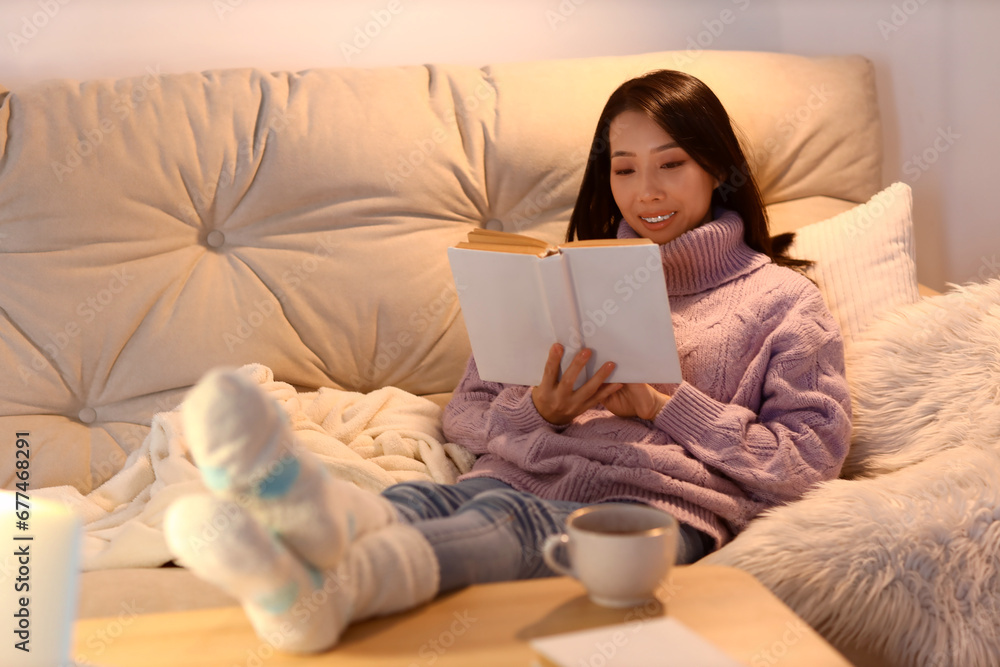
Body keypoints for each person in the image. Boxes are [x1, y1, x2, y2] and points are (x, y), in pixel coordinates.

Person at [164, 69, 852, 653]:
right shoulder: (567, 279)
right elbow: (464, 414)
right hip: (508, 478)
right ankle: (295, 533)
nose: (647, 191)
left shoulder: (783, 302)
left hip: (649, 513)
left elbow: (805, 462)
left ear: (717, 167)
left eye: (671, 163)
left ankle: (328, 587)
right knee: (423, 499)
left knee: (510, 527)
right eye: (625, 168)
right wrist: (539, 409)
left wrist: (665, 403)